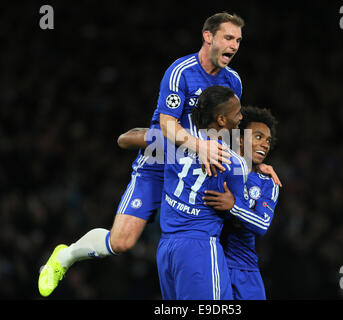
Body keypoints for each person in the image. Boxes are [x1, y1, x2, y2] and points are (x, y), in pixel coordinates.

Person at [38, 12, 246, 297]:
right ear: (208, 37)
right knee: (122, 241)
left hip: (195, 169)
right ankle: (66, 256)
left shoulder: (233, 81)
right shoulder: (180, 72)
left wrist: (256, 165)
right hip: (160, 160)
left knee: (205, 239)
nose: (234, 45)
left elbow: (228, 129)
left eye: (237, 40)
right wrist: (198, 146)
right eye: (228, 37)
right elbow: (166, 124)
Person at [156, 85, 271, 300]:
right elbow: (237, 219)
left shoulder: (172, 142)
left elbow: (125, 138)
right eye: (237, 113)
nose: (240, 117)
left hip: (166, 249)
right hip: (200, 248)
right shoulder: (234, 163)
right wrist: (255, 175)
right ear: (221, 120)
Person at [202, 106, 279, 300]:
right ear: (240, 138)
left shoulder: (268, 182)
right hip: (212, 263)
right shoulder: (218, 165)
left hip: (246, 271)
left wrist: (234, 207)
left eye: (268, 140)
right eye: (258, 137)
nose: (265, 144)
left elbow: (262, 225)